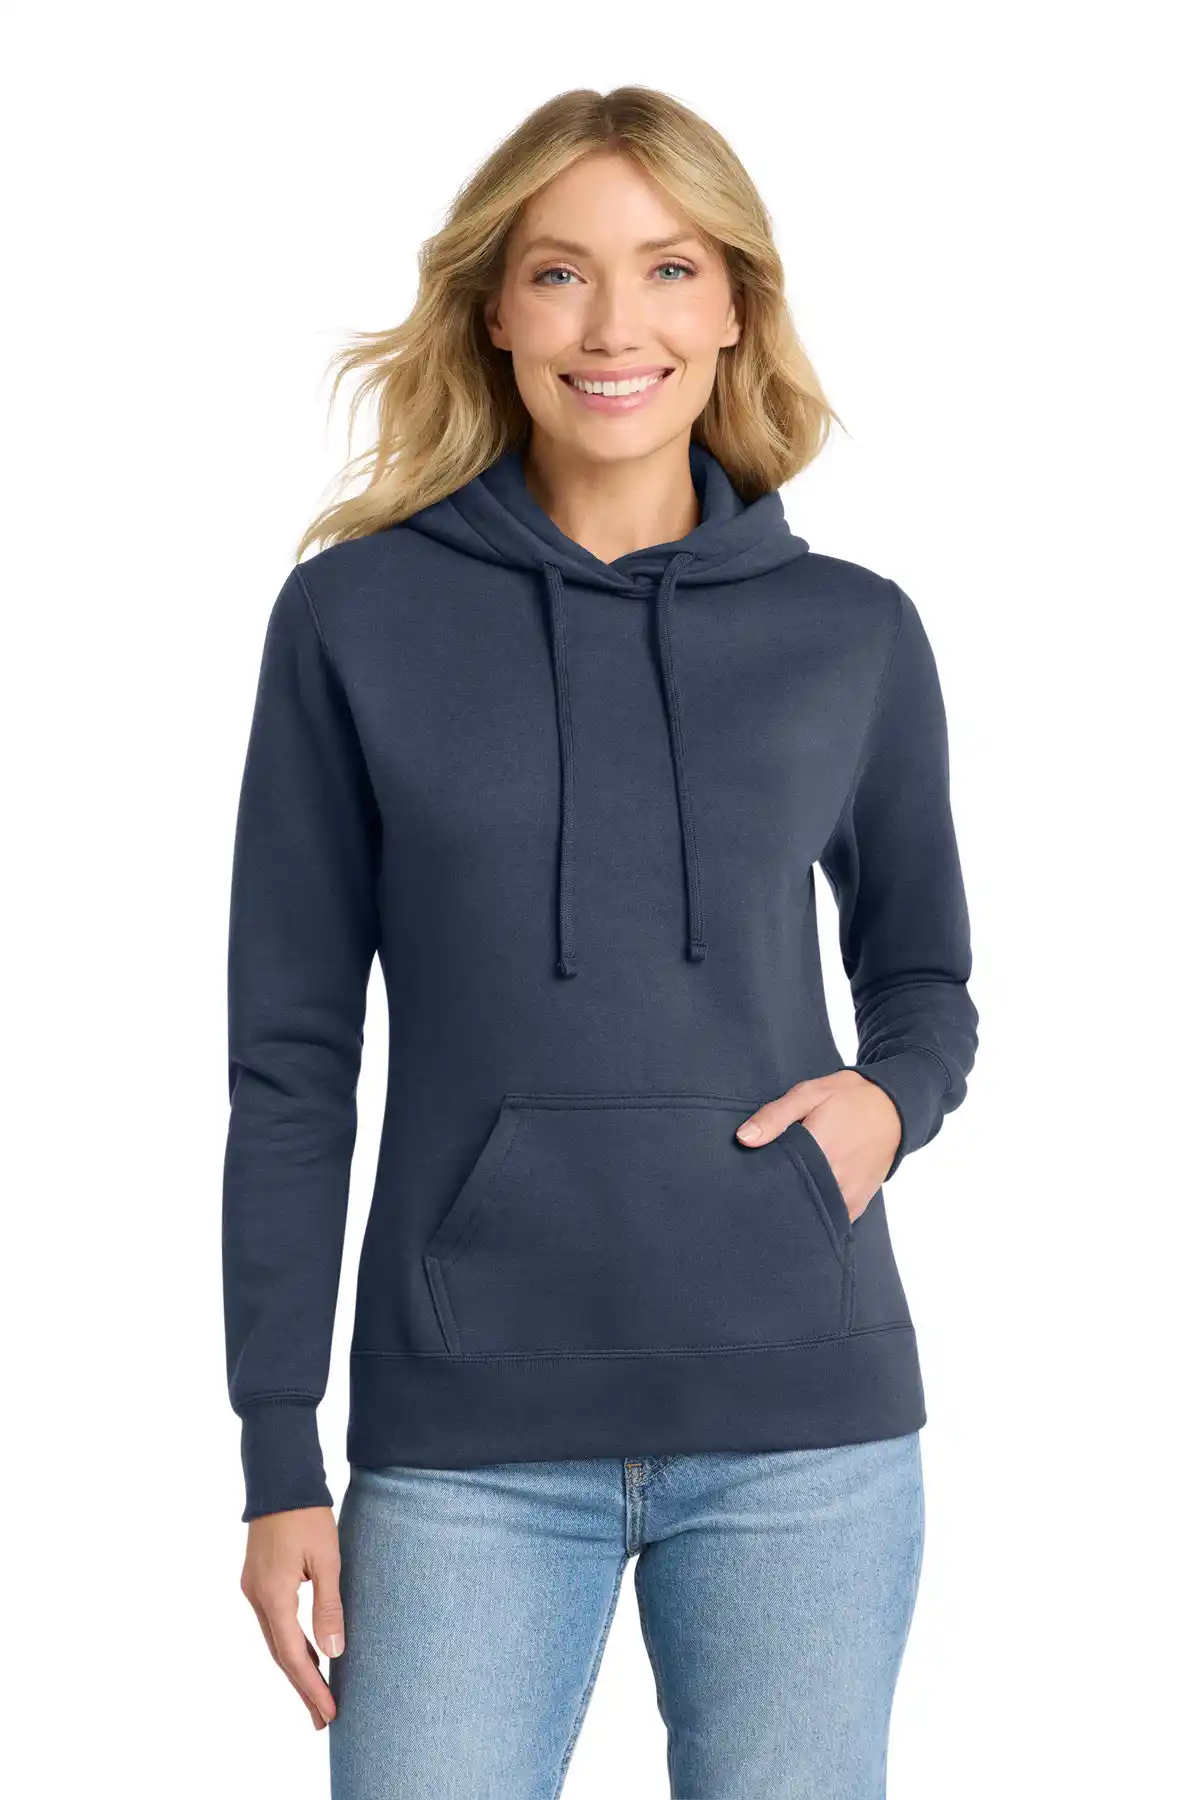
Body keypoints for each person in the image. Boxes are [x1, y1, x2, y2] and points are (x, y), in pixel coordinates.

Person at [223, 84, 979, 1800]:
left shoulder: (851, 633)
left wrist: (890, 1102)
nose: (615, 324)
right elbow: (290, 1061)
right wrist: (279, 1453)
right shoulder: (355, 620)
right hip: (464, 1441)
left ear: (736, 309)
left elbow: (925, 978)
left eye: (670, 269)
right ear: (495, 310)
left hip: (805, 1429)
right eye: (561, 273)